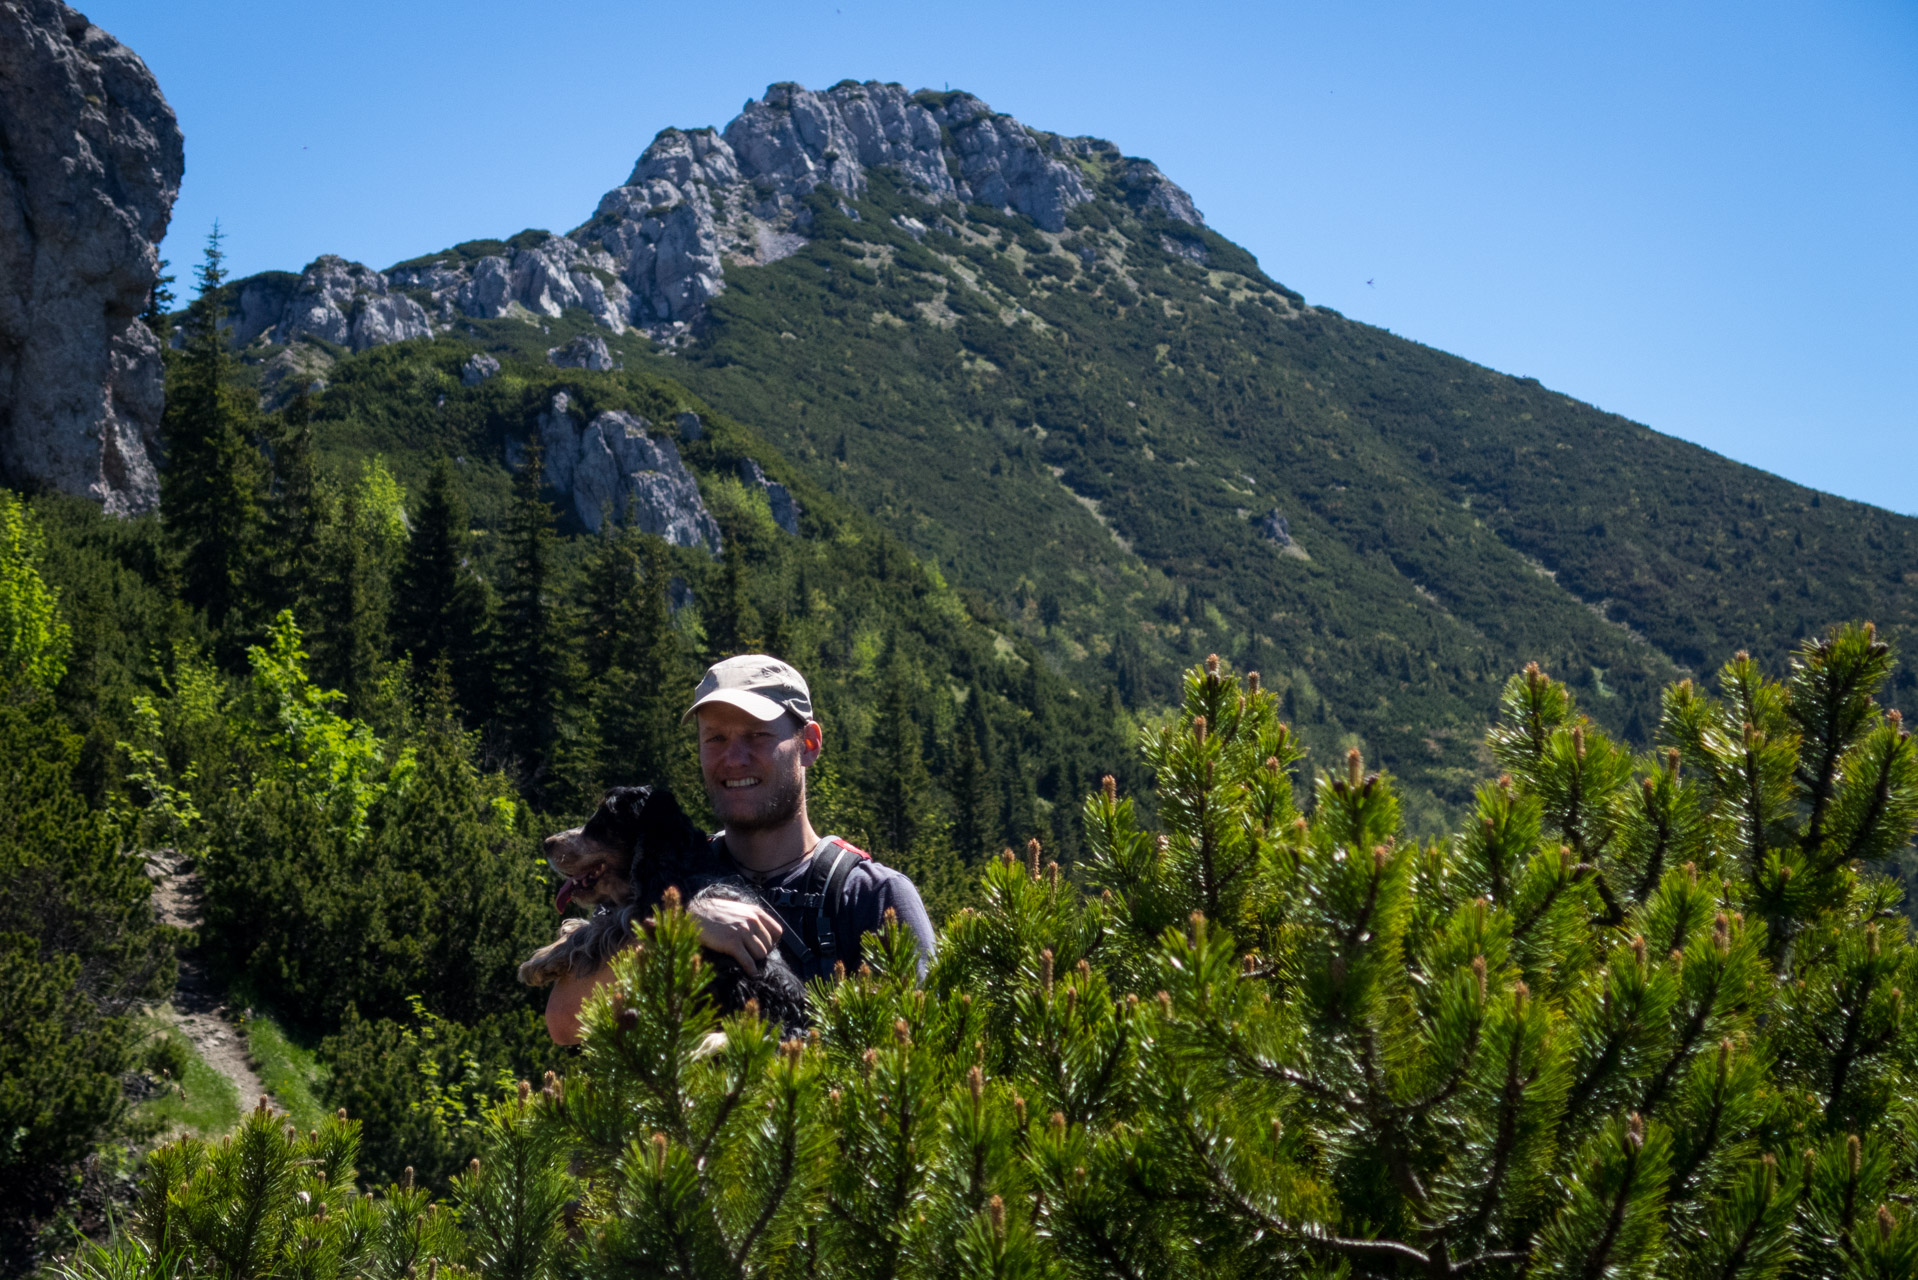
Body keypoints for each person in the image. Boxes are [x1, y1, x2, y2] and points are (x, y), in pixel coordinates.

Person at [545, 654, 938, 1044]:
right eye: (715, 738)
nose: (734, 758)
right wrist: (673, 926)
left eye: (757, 735)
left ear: (810, 744)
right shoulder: (657, 876)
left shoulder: (872, 897)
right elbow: (564, 1023)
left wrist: (752, 1051)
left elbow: (914, 1057)